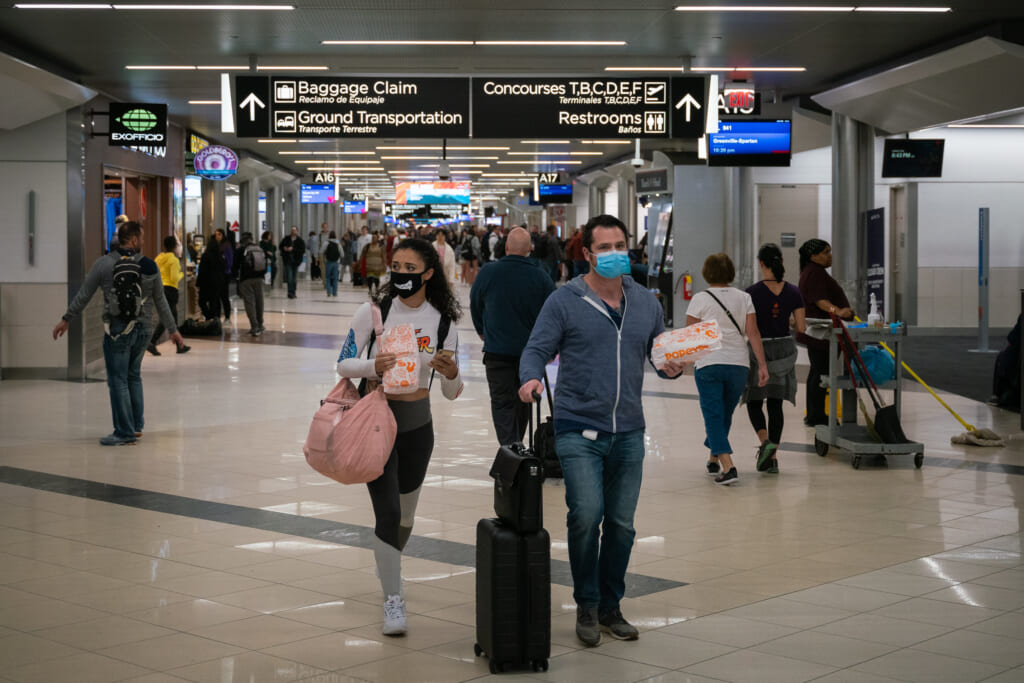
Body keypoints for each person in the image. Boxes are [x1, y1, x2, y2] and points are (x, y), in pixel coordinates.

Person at [518, 215, 684, 648]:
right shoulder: (565, 300)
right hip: (578, 427)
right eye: (604, 248)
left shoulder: (647, 302)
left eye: (620, 245)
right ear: (587, 254)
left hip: (629, 430)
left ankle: (612, 606)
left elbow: (660, 353)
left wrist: (671, 367)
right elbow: (536, 348)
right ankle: (587, 604)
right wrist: (531, 377)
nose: (614, 254)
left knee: (623, 525)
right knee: (587, 515)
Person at [336, 237, 463, 636]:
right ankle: (394, 597)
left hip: (417, 426)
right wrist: (373, 365)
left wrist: (451, 372)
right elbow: (342, 364)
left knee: (406, 515)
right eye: (397, 267)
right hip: (376, 421)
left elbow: (452, 392)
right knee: (388, 514)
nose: (402, 275)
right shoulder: (373, 311)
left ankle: (388, 559)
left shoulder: (443, 322)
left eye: (411, 269)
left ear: (428, 273)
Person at [52, 221, 186, 446]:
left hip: (117, 330)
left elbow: (84, 293)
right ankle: (135, 426)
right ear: (133, 240)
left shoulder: (103, 264)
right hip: (143, 329)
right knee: (133, 376)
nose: (143, 242)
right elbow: (161, 301)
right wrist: (173, 330)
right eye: (141, 238)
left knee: (118, 379)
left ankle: (124, 432)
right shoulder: (150, 266)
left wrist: (67, 318)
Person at [685, 253, 769, 486]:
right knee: (724, 413)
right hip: (738, 365)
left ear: (706, 273)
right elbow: (753, 333)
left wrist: (684, 362)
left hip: (709, 363)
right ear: (731, 273)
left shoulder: (700, 299)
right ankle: (713, 457)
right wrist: (761, 365)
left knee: (713, 415)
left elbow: (690, 336)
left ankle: (728, 465)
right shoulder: (745, 298)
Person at [471, 227, 555, 445]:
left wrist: (482, 330)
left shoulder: (488, 272)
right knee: (523, 401)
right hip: (530, 356)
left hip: (497, 353)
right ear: (530, 249)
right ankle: (515, 450)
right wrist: (550, 348)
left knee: (502, 404)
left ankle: (510, 451)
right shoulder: (541, 276)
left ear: (506, 247)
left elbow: (475, 304)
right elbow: (554, 315)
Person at [743, 244, 806, 474]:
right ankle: (773, 458)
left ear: (761, 263)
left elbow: (747, 328)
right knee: (776, 404)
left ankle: (765, 442)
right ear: (780, 260)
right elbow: (801, 327)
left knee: (754, 401)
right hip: (783, 349)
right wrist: (785, 320)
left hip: (759, 348)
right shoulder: (793, 291)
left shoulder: (751, 292)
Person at [797, 239, 854, 427]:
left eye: (830, 251)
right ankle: (818, 416)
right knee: (821, 374)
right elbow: (819, 300)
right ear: (813, 256)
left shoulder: (814, 272)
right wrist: (838, 311)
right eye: (825, 252)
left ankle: (815, 414)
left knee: (817, 372)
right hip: (821, 332)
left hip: (820, 332)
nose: (830, 256)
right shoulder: (814, 273)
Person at [148, 235, 191, 356]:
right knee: (167, 318)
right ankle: (152, 341)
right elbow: (174, 278)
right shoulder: (173, 260)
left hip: (160, 289)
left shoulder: (158, 258)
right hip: (171, 290)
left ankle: (179, 345)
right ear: (175, 247)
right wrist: (182, 274)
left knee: (173, 317)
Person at [237, 232, 266, 336]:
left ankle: (254, 326)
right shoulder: (259, 248)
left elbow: (235, 264)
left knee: (250, 302)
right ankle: (261, 324)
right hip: (259, 277)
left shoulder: (242, 250)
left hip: (246, 279)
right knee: (259, 301)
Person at [197, 234, 225, 320]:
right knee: (214, 301)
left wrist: (198, 283)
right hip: (218, 282)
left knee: (202, 301)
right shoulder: (220, 256)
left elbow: (202, 270)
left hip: (206, 283)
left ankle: (209, 317)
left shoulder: (206, 256)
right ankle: (215, 319)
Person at [280, 225, 305, 299]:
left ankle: (293, 291)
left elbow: (302, 250)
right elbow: (280, 246)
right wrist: (284, 248)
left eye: (294, 230)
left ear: (297, 231)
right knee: (289, 277)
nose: (293, 231)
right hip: (288, 261)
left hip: (296, 261)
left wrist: (293, 249)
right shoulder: (286, 239)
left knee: (294, 278)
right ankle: (290, 292)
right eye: (292, 230)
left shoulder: (300, 240)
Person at [360, 232, 388, 297]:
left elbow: (383, 255)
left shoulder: (380, 246)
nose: (373, 239)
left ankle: (376, 288)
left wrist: (384, 263)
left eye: (375, 238)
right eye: (373, 238)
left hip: (377, 266)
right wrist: (360, 262)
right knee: (369, 278)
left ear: (377, 239)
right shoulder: (367, 246)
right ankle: (370, 289)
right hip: (369, 265)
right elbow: (363, 254)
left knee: (376, 278)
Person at [218, 229, 234, 321]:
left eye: (219, 234)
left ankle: (227, 316)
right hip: (218, 273)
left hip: (224, 273)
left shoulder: (226, 245)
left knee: (224, 296)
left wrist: (226, 268)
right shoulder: (215, 245)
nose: (217, 236)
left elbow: (230, 260)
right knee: (218, 296)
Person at [321, 230, 343, 297]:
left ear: (329, 236)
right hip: (336, 262)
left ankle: (328, 292)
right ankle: (335, 293)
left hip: (328, 262)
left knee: (327, 277)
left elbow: (321, 251)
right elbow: (342, 254)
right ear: (335, 236)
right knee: (335, 278)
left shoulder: (326, 242)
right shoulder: (338, 243)